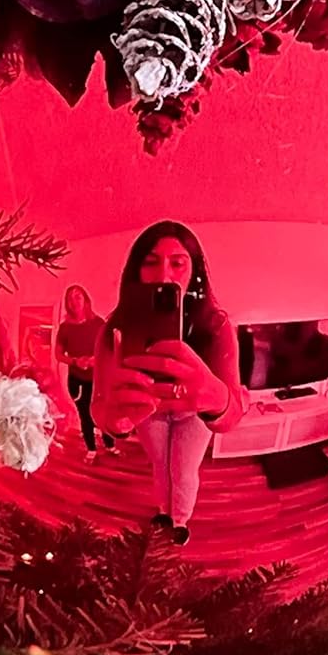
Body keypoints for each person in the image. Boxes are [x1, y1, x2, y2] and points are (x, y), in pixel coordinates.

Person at [93, 221, 243, 543]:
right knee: (160, 465)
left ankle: (180, 521)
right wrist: (116, 420)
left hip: (195, 415)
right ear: (136, 272)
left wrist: (218, 399)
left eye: (177, 263)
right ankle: (163, 512)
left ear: (195, 272)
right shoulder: (114, 328)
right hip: (148, 413)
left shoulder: (216, 325)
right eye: (150, 262)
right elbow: (99, 407)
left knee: (184, 470)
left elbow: (233, 416)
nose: (164, 275)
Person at [54, 286, 106, 457]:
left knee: (103, 411)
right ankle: (91, 449)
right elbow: (58, 354)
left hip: (99, 378)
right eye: (70, 298)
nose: (74, 301)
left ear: (85, 300)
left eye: (78, 296)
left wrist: (94, 360)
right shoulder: (65, 328)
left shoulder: (98, 324)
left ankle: (110, 445)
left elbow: (109, 348)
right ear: (67, 304)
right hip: (77, 379)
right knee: (85, 414)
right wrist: (76, 361)